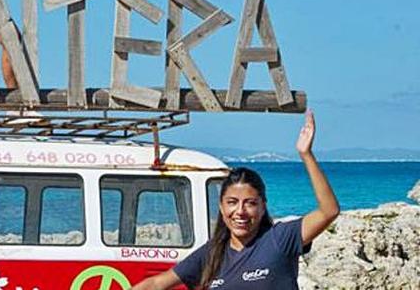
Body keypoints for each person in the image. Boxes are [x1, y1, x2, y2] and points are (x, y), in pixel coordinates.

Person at [133, 111, 339, 290]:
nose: (240, 211)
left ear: (262, 206)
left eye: (250, 203)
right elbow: (156, 284)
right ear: (221, 207)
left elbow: (328, 211)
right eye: (232, 202)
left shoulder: (280, 238)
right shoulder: (212, 253)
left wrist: (306, 155)